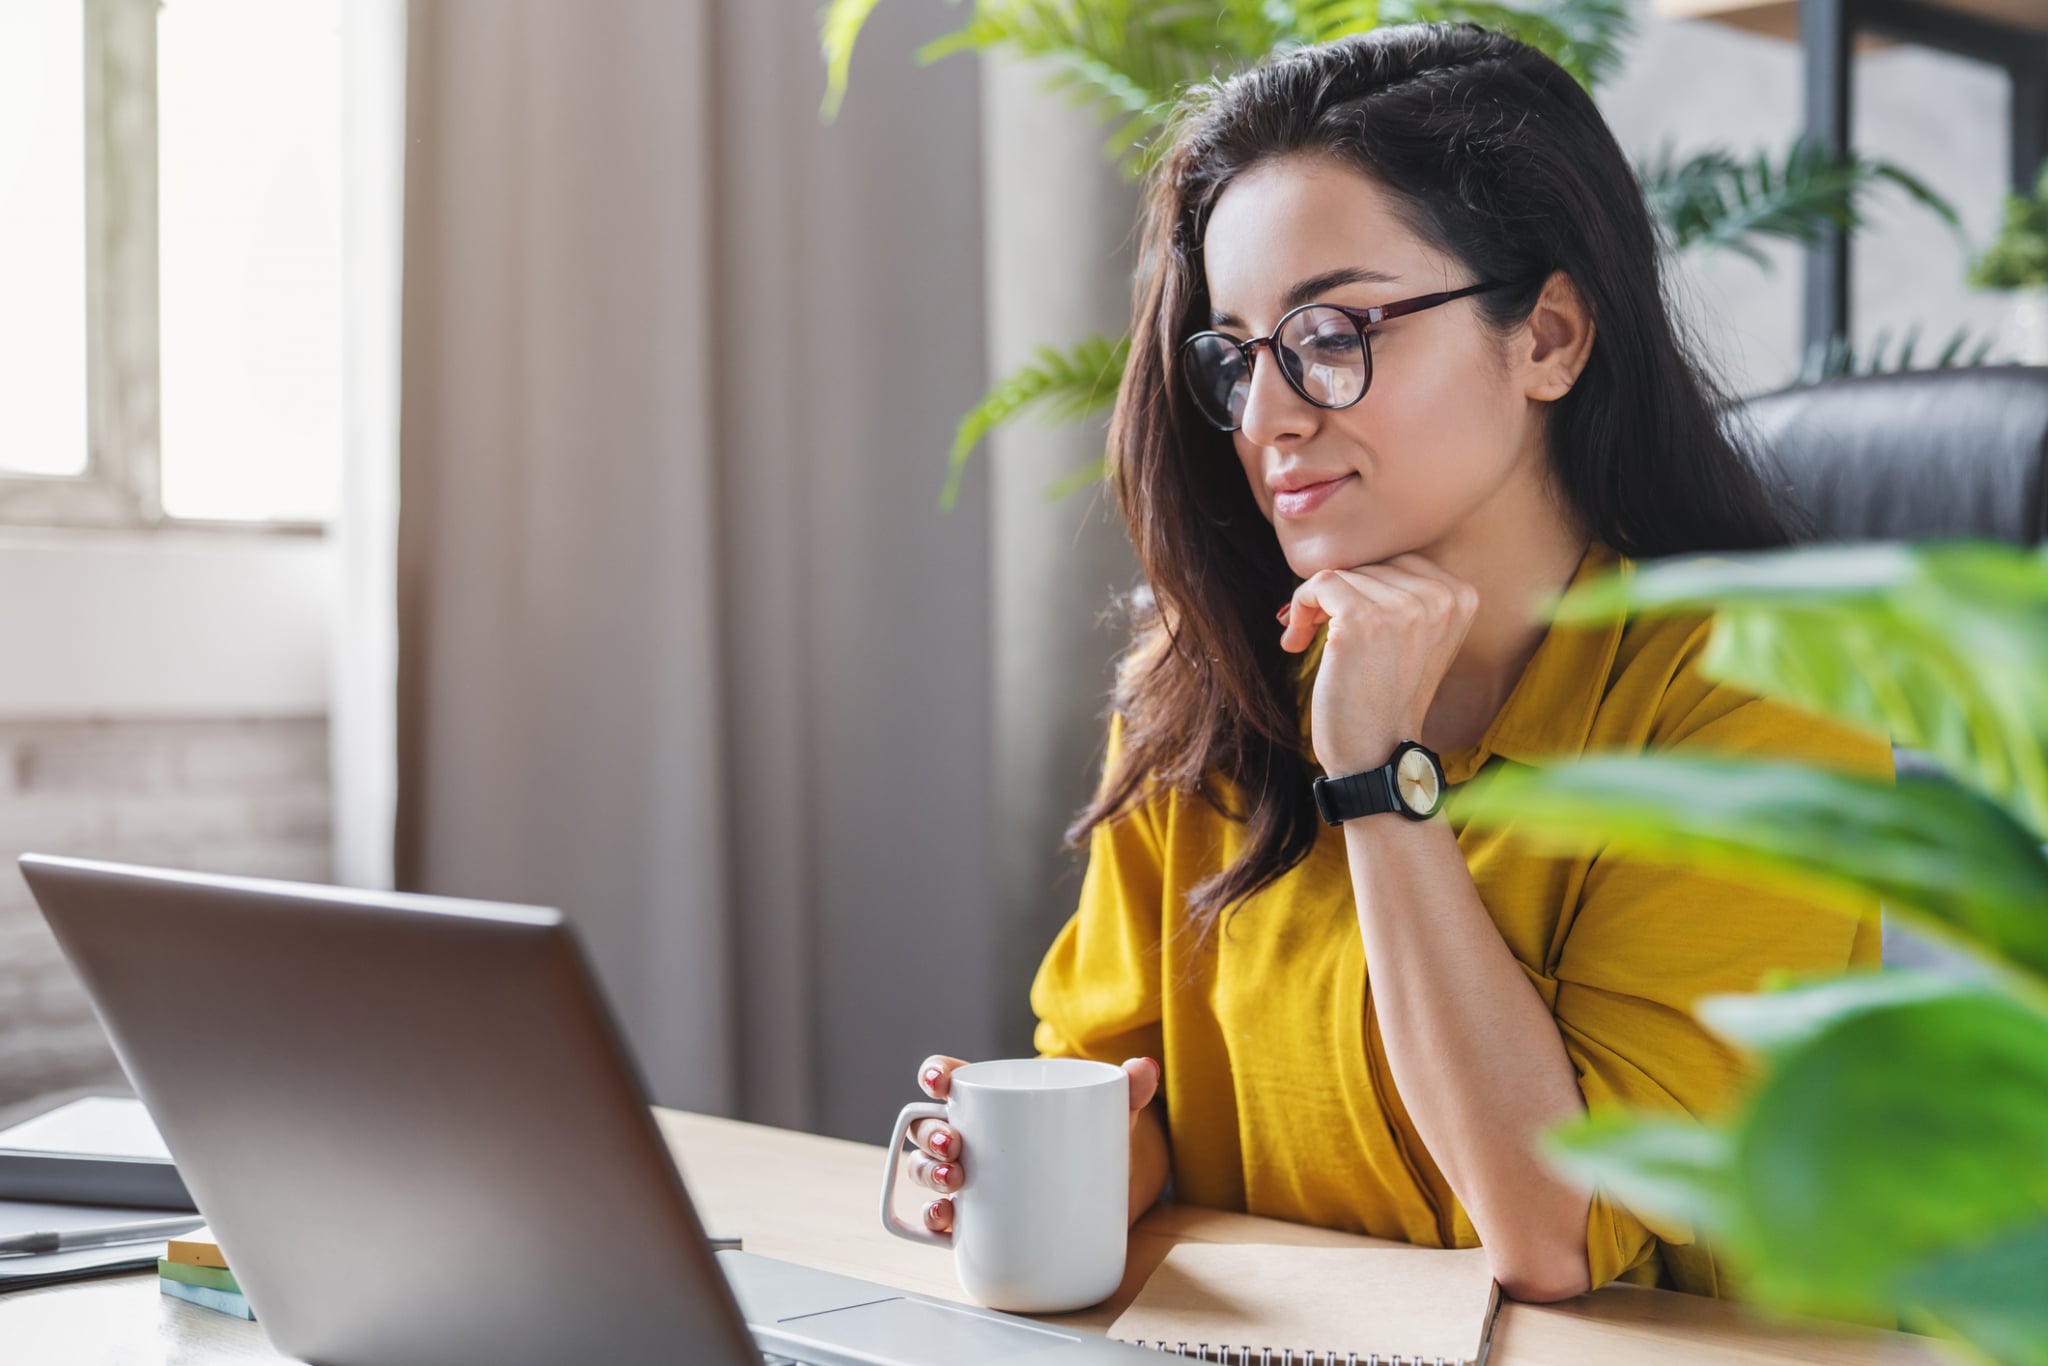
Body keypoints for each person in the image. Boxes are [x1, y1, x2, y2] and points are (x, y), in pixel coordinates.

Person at [899, 21, 1887, 1303]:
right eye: (1237, 352)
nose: (1266, 417)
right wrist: (1017, 1161)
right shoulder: (1195, 682)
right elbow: (1119, 1080)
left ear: (1548, 338)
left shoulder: (1758, 696)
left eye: (1331, 331)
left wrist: (1373, 771)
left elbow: (1551, 1230)